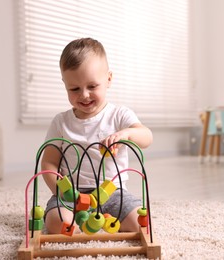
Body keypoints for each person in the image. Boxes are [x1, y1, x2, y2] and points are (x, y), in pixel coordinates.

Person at [41, 37, 153, 234]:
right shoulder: (61, 122)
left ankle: (100, 221)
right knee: (57, 224)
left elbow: (146, 137)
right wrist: (61, 192)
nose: (84, 95)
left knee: (141, 224)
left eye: (92, 86)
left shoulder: (119, 115)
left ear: (108, 79)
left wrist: (126, 134)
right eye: (74, 89)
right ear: (65, 84)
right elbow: (48, 163)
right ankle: (76, 224)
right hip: (71, 195)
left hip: (112, 193)